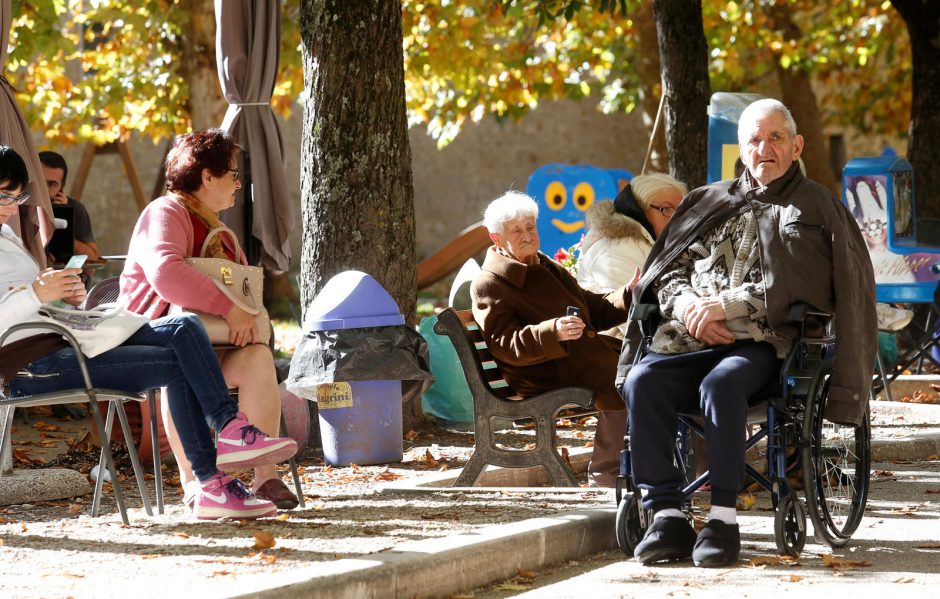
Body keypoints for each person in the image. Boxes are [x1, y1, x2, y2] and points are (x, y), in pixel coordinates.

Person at [617, 99, 876, 568]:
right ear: (742, 148)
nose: (765, 148)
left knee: (722, 384)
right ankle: (667, 515)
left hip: (763, 348)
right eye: (754, 139)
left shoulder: (816, 207)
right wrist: (689, 304)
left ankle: (722, 520)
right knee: (643, 382)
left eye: (776, 137)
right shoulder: (708, 200)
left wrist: (727, 305)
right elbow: (668, 269)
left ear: (796, 146)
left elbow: (813, 285)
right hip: (689, 337)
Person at [0, 145, 297, 520]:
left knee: (185, 328)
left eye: (18, 195)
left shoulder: (8, 238)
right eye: (4, 196)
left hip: (65, 341)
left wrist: (65, 299)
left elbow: (35, 306)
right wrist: (35, 293)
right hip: (29, 365)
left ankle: (228, 433)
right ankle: (210, 481)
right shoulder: (166, 212)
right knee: (178, 363)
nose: (12, 206)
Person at [120, 129, 298, 510]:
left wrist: (247, 316)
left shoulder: (221, 232)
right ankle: (195, 483)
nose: (238, 184)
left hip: (210, 341)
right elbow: (166, 273)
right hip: (151, 341)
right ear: (206, 176)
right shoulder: (165, 212)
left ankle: (265, 476)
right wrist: (230, 309)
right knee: (179, 363)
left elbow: (244, 290)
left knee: (258, 359)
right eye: (233, 174)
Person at [471, 190, 638, 487]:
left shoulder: (544, 264)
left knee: (649, 363)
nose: (527, 235)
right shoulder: (490, 283)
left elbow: (592, 309)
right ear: (496, 238)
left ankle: (653, 462)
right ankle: (606, 473)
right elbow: (506, 345)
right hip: (540, 371)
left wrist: (629, 294)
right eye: (516, 231)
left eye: (531, 227)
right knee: (619, 375)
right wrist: (553, 332)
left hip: (574, 358)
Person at [574, 173, 687, 486]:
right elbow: (622, 318)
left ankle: (702, 471)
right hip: (616, 346)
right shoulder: (620, 246)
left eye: (680, 209)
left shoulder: (651, 239)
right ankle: (610, 472)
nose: (674, 216)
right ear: (641, 209)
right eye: (665, 208)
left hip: (640, 340)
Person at [38, 151, 103, 264]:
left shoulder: (75, 209)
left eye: (52, 184)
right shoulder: (17, 205)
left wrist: (64, 221)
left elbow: (93, 258)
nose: (44, 189)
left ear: (62, 187)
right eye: (40, 182)